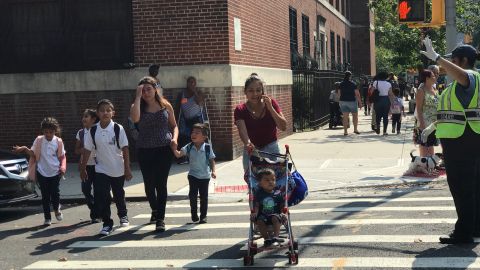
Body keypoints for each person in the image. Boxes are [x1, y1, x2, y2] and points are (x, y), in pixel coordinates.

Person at [420, 37, 480, 244]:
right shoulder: (461, 83)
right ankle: (475, 228)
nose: (448, 65)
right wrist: (431, 127)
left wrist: (436, 57)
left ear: (463, 60)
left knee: (462, 186)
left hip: (462, 139)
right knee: (472, 186)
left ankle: (464, 233)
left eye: (453, 60)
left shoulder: (469, 77)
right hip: (468, 137)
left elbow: (464, 77)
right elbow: (451, 113)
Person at [130, 76, 178, 232]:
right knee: (149, 185)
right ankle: (155, 209)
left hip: (164, 149)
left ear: (155, 89)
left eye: (148, 89)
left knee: (161, 184)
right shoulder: (137, 106)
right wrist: (137, 97)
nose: (146, 93)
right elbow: (135, 119)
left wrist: (174, 139)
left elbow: (174, 126)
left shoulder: (165, 105)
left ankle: (160, 219)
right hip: (145, 150)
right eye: (142, 90)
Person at [80, 99, 132, 236]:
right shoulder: (93, 130)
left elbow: (125, 149)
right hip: (101, 169)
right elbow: (87, 150)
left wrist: (127, 168)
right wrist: (82, 167)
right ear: (97, 113)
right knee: (103, 195)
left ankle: (123, 215)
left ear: (113, 113)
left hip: (117, 168)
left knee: (118, 194)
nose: (105, 112)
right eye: (102, 110)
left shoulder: (117, 128)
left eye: (108, 110)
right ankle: (107, 223)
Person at [13, 117, 66, 226]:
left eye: (51, 132)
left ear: (55, 131)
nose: (48, 134)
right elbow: (33, 154)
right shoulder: (39, 140)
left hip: (55, 172)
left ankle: (56, 209)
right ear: (43, 131)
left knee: (55, 193)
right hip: (42, 172)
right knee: (45, 196)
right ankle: (47, 218)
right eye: (46, 132)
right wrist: (24, 149)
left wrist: (63, 167)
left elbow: (62, 157)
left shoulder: (58, 141)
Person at [234, 73, 287, 171]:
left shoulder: (272, 103)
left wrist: (270, 108)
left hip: (271, 149)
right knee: (253, 183)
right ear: (245, 92)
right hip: (251, 150)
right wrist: (248, 143)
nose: (255, 94)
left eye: (258, 90)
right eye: (251, 91)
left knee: (273, 183)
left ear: (263, 91)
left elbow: (283, 127)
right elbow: (242, 130)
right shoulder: (240, 110)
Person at [171, 123, 216, 224]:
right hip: (193, 175)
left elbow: (212, 159)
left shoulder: (208, 148)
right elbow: (178, 155)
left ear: (204, 137)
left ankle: (203, 216)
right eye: (192, 132)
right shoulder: (189, 147)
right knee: (193, 196)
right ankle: (194, 214)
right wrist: (174, 148)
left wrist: (213, 171)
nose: (193, 134)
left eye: (197, 133)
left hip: (205, 176)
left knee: (204, 197)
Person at [75, 109, 100, 223]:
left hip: (98, 165)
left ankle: (95, 215)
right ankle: (94, 207)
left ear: (93, 119)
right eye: (83, 116)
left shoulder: (98, 131)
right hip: (86, 165)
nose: (84, 118)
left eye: (87, 116)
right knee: (85, 189)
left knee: (99, 190)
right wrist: (85, 150)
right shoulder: (80, 132)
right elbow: (76, 150)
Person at [250, 168, 287, 247]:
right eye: (267, 180)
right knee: (260, 221)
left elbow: (282, 205)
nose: (270, 182)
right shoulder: (259, 193)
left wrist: (283, 213)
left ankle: (275, 237)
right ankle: (267, 239)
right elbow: (256, 205)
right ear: (260, 183)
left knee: (275, 218)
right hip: (262, 215)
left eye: (273, 180)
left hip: (275, 214)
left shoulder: (278, 192)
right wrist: (255, 213)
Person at [175, 76, 206, 164]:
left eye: (193, 82)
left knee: (198, 137)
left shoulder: (199, 92)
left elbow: (200, 103)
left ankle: (200, 157)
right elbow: (177, 107)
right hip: (185, 119)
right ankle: (184, 158)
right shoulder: (182, 94)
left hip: (197, 119)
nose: (192, 84)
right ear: (187, 83)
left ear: (195, 84)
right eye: (190, 82)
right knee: (184, 137)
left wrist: (194, 92)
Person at [414, 70, 439, 157]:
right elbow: (419, 109)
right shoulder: (421, 90)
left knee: (431, 143)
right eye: (433, 76)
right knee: (424, 144)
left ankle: (431, 166)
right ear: (427, 78)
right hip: (425, 121)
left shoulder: (435, 89)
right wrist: (422, 123)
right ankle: (424, 165)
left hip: (434, 122)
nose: (435, 77)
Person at [338, 71, 362, 136]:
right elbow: (357, 94)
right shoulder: (353, 84)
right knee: (355, 116)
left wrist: (339, 101)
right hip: (352, 101)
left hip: (343, 101)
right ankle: (355, 129)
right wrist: (360, 103)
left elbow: (339, 94)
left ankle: (345, 131)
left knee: (345, 117)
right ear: (350, 76)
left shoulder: (341, 84)